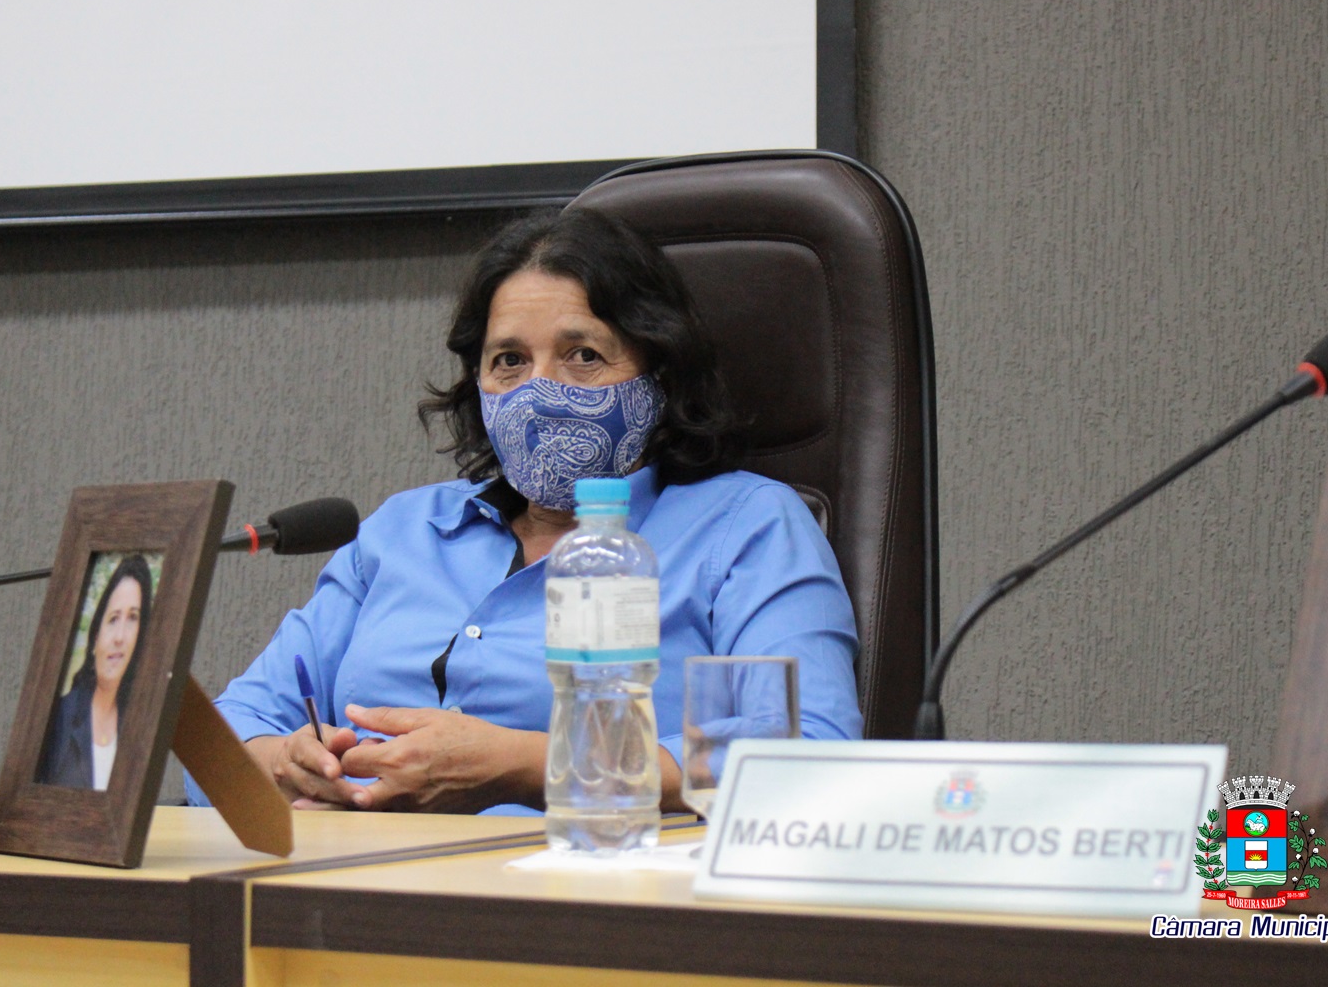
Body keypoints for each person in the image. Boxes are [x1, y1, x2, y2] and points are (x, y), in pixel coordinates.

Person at [194, 209, 862, 814]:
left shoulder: (746, 527)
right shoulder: (402, 531)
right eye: (510, 360)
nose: (540, 391)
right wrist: (290, 767)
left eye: (583, 356)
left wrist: (523, 766)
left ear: (659, 376)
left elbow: (810, 756)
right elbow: (222, 741)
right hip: (347, 882)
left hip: (581, 891)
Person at [37, 555, 153, 790]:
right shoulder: (59, 719)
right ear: (95, 637)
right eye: (113, 619)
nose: (120, 637)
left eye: (132, 618)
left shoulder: (138, 722)